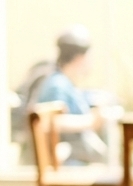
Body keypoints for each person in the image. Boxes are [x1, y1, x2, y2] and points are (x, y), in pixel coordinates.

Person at [33, 26, 108, 165]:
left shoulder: (66, 83)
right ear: (80, 58)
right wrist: (90, 121)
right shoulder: (57, 85)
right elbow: (47, 122)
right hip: (66, 163)